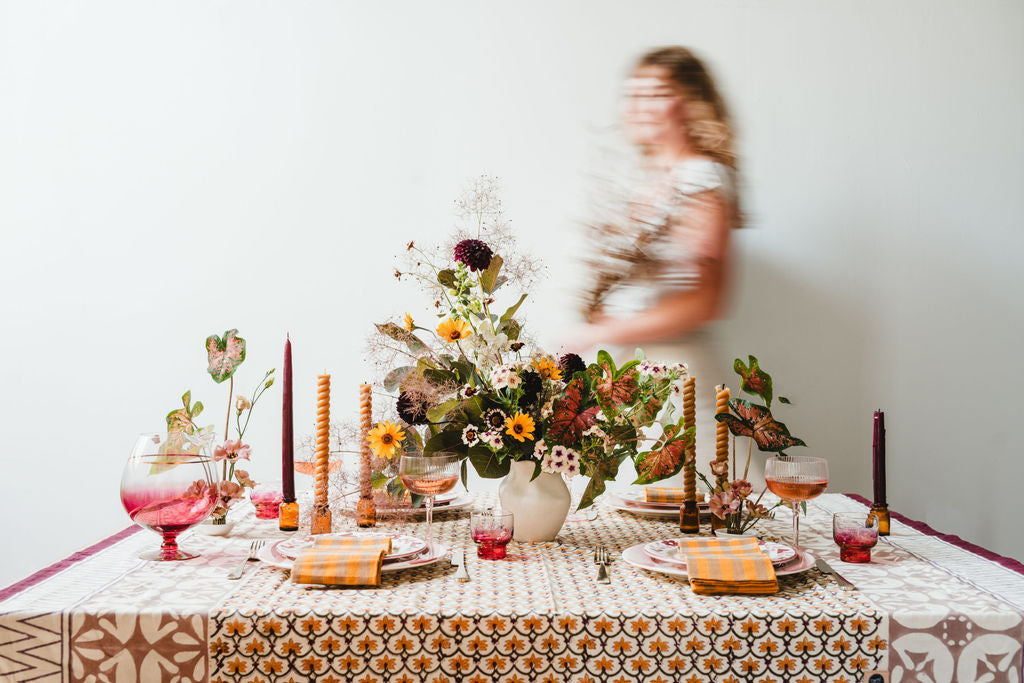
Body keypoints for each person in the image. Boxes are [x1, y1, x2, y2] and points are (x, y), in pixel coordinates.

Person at [564, 46, 747, 488]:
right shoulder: (649, 182)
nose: (641, 106)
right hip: (635, 374)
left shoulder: (702, 177)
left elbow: (706, 302)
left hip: (678, 377)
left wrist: (600, 333)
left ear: (691, 101)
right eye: (634, 94)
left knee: (695, 520)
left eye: (657, 93)